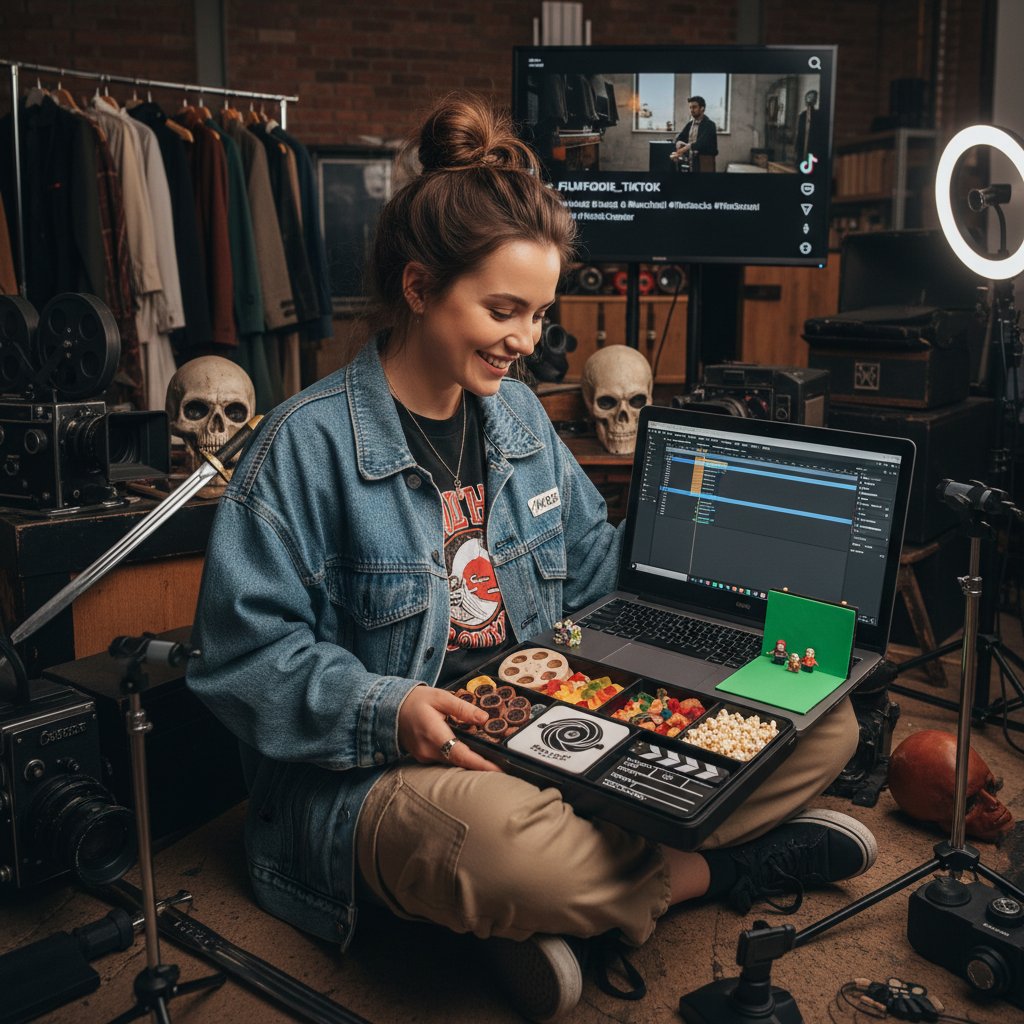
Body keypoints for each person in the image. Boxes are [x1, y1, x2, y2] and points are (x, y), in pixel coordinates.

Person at [187, 93, 872, 1024]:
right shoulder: (300, 446)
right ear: (422, 288)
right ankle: (710, 870)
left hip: (551, 719)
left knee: (823, 722)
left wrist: (732, 599)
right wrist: (390, 710)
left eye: (540, 312)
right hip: (386, 771)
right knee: (507, 851)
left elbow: (595, 572)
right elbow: (240, 661)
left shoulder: (518, 418)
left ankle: (550, 914)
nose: (526, 340)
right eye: (502, 309)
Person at [670, 95, 719, 172]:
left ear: (702, 108)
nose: (692, 110)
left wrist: (685, 148)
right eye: (690, 107)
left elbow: (702, 143)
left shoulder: (710, 125)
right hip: (692, 161)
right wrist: (678, 142)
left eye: (694, 107)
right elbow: (680, 137)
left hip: (705, 161)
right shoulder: (690, 124)